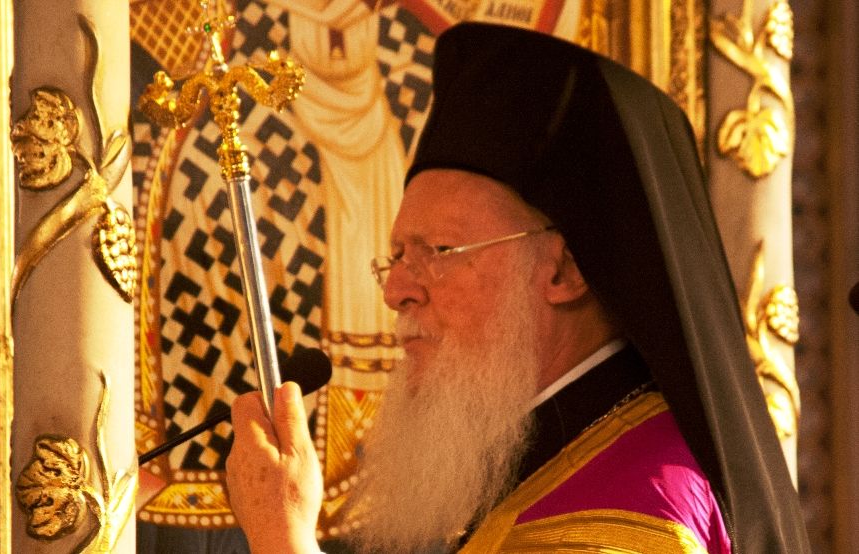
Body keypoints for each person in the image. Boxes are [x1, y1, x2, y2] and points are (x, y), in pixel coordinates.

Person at [225, 23, 810, 553]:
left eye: (438, 252)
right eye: (397, 256)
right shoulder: (555, 463)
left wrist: (284, 537)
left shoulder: (636, 506)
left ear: (564, 271)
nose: (396, 290)